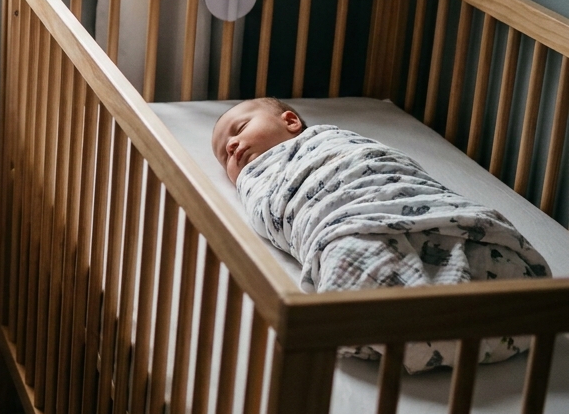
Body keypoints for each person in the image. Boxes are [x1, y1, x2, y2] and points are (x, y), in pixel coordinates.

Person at [212, 98, 548, 371]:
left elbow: (382, 163)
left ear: (290, 121)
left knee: (465, 242)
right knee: (356, 259)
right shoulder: (259, 183)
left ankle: (462, 305)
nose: (232, 145)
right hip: (343, 222)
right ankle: (431, 328)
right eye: (224, 152)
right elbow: (274, 215)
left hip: (402, 196)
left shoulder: (331, 140)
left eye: (239, 129)